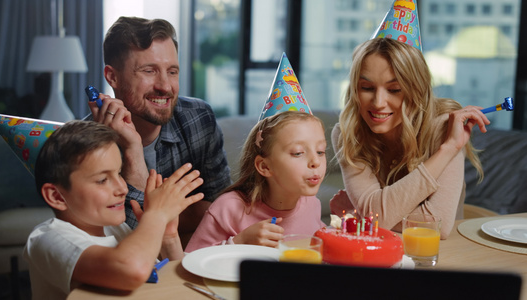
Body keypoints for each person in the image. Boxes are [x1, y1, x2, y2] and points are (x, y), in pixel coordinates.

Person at [86, 17, 231, 245]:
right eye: (149, 71)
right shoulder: (84, 146)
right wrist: (132, 151)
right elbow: (129, 243)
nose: (165, 86)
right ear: (112, 76)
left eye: (172, 72)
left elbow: (222, 215)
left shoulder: (199, 118)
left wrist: (162, 220)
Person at [23, 120, 204, 299]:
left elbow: (180, 286)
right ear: (56, 196)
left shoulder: (113, 228)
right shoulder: (48, 238)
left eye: (119, 173)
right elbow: (132, 269)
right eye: (102, 180)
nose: (123, 188)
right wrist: (156, 214)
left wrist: (168, 238)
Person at [331, 38, 490, 239]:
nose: (379, 103)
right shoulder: (347, 133)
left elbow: (438, 224)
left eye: (394, 90)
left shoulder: (444, 129)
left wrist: (448, 148)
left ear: (416, 90)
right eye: (367, 88)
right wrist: (371, 214)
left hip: (439, 258)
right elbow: (376, 216)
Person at [186, 111, 327, 252]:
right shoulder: (228, 208)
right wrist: (240, 242)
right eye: (298, 152)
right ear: (264, 166)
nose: (316, 161)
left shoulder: (312, 204)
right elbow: (190, 262)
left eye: (320, 151)